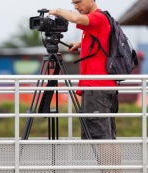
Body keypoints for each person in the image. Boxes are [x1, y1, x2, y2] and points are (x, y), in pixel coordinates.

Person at [49, 0, 118, 140]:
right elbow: (102, 41)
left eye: (78, 2)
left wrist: (57, 11)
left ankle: (108, 163)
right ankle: (111, 163)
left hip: (97, 88)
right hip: (100, 88)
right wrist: (81, 44)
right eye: (73, 4)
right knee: (106, 136)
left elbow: (75, 18)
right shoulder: (101, 20)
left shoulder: (97, 17)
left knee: (100, 137)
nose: (75, 7)